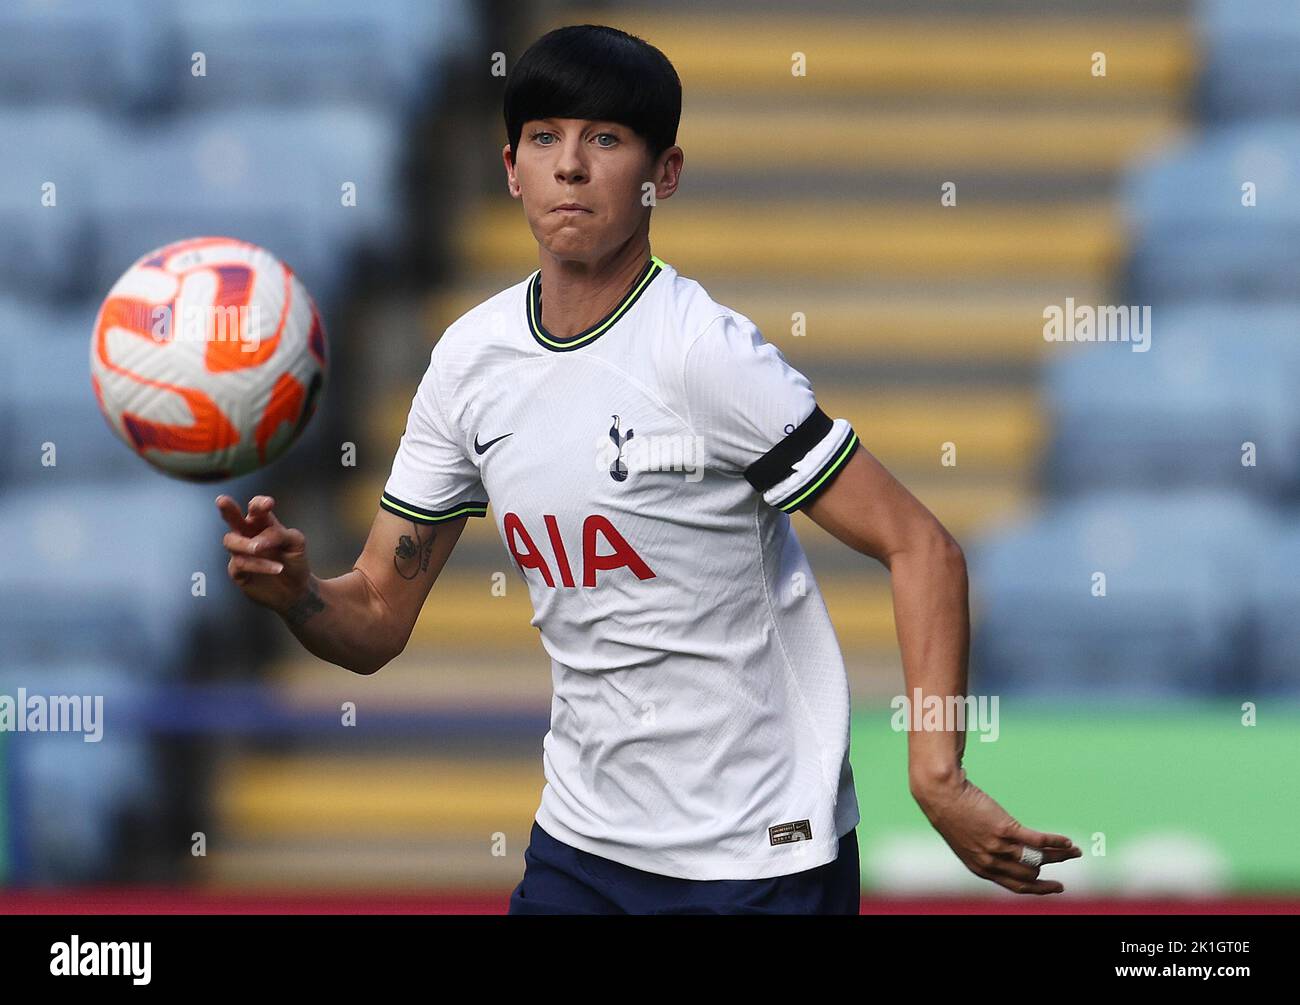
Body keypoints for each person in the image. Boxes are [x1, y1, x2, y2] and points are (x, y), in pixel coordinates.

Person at [217, 23, 1080, 914]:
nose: (572, 166)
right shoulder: (468, 362)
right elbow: (377, 616)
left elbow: (922, 547)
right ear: (510, 168)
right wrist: (297, 594)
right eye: (545, 138)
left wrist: (937, 772)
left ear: (663, 174)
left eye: (606, 139)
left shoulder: (708, 356)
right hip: (582, 848)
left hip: (760, 856)